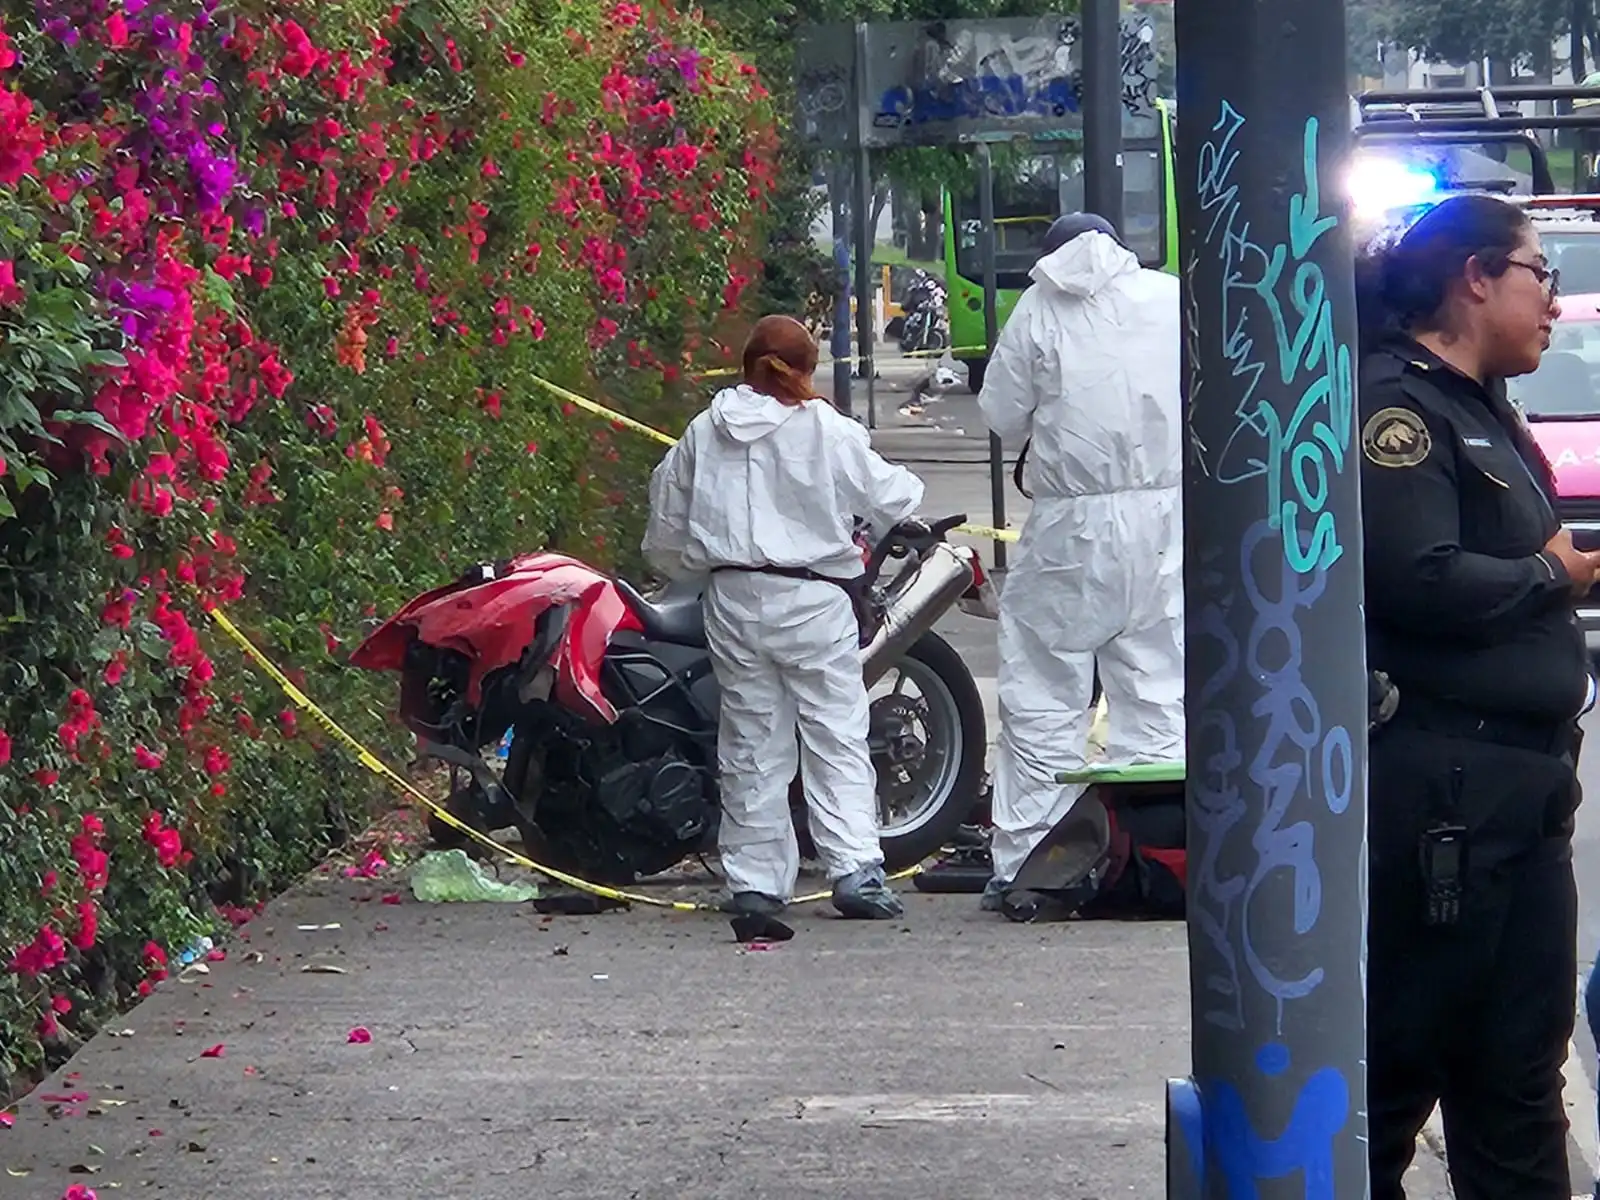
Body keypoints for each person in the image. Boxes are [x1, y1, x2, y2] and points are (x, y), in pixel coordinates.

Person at [1356, 192, 1596, 1198]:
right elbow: (1416, 576)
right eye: (1539, 275)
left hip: (1522, 795)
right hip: (1446, 800)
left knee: (1515, 1083)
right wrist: (1555, 576)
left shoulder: (1481, 406)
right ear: (1473, 278)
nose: (1553, 302)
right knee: (1399, 1076)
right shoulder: (1397, 408)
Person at [641, 314, 926, 920]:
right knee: (834, 735)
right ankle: (855, 871)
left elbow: (666, 523)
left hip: (734, 601)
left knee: (750, 742)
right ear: (805, 369)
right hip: (814, 602)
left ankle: (756, 884)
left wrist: (693, 566)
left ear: (746, 365)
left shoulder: (704, 431)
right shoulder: (825, 428)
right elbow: (892, 497)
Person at [975, 212, 1184, 910]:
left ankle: (1029, 868)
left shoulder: (1038, 308)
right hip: (1168, 517)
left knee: (1043, 694)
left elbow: (1001, 415)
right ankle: (1152, 858)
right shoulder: (1171, 296)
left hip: (1073, 520)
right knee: (1158, 691)